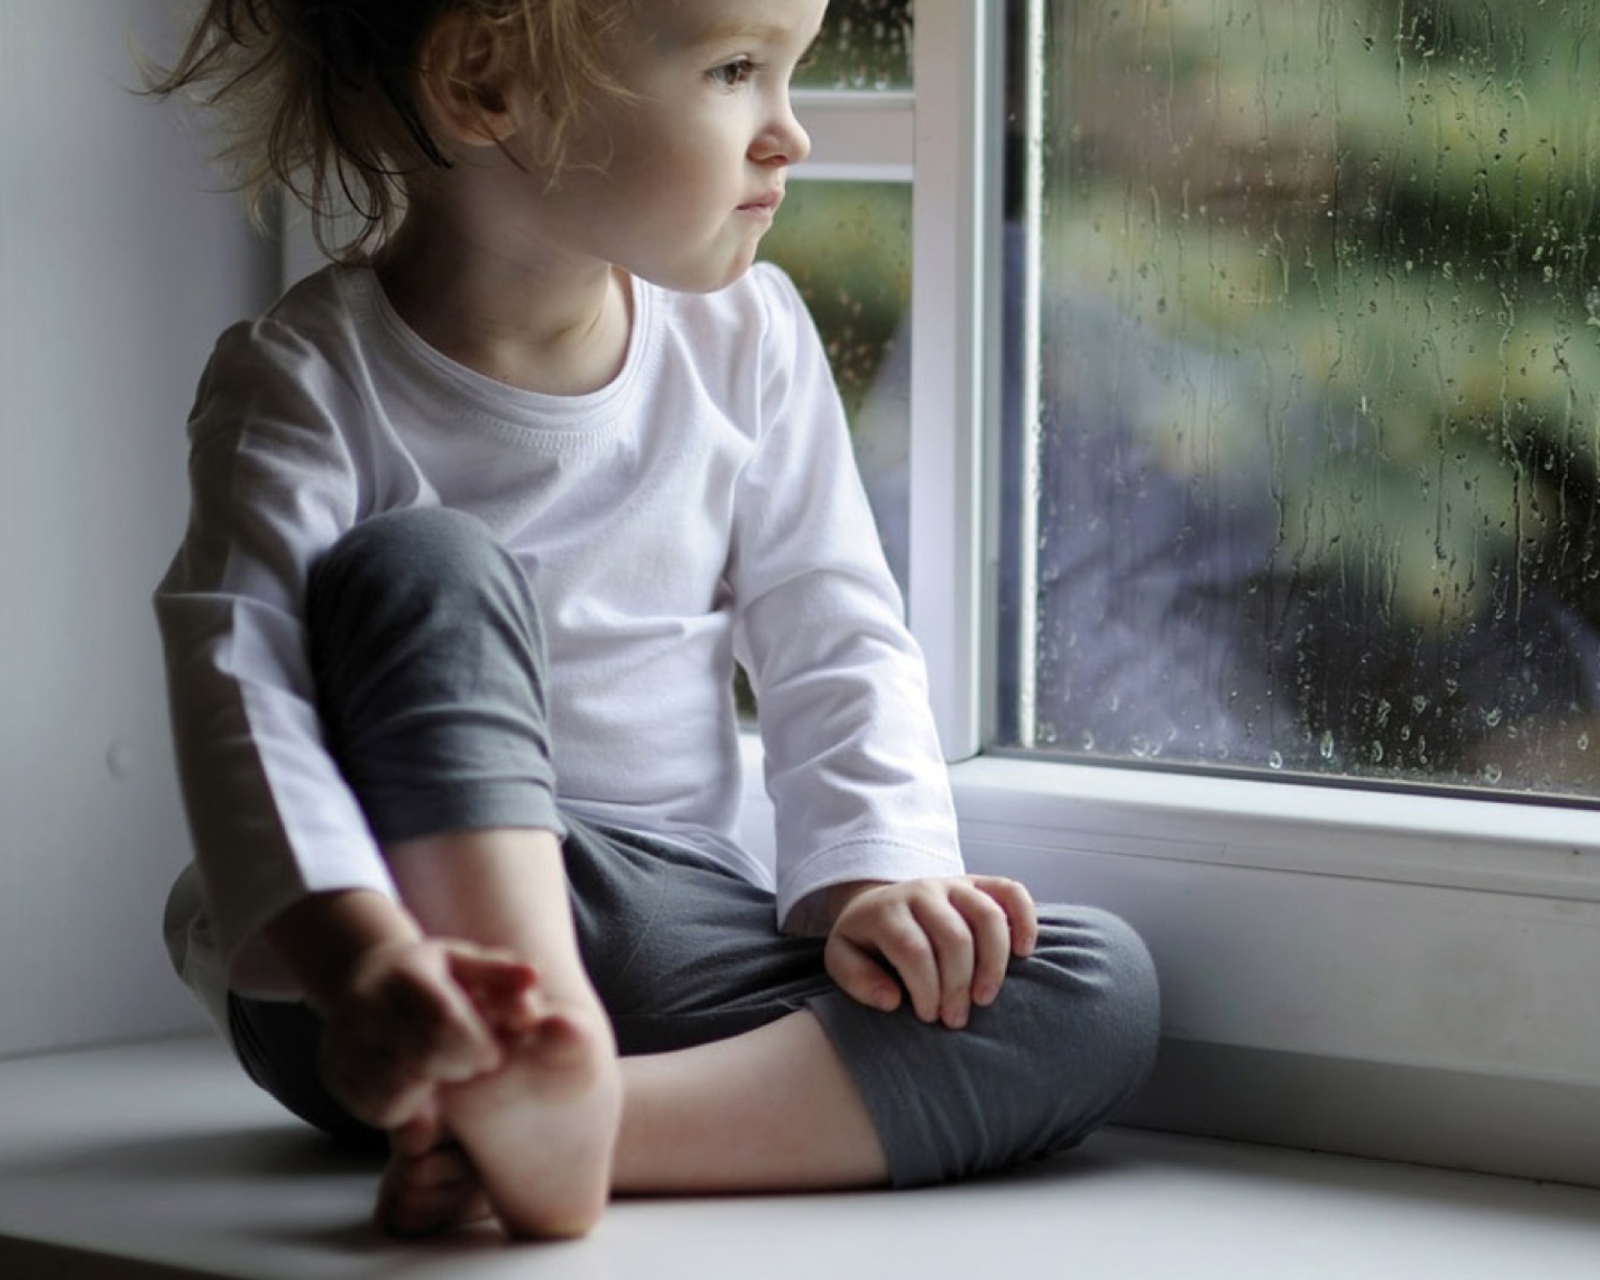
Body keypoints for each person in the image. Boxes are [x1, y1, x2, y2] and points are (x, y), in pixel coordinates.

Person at [147, 0, 1161, 1242]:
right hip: (395, 965)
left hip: (668, 926)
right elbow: (239, 685)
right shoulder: (307, 380)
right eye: (736, 70)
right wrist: (358, 959)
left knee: (1089, 982)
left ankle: (574, 1120)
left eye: (791, 74)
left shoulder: (751, 342)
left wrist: (879, 879)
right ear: (487, 83)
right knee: (425, 564)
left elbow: (835, 637)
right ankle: (516, 1071)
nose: (787, 133)